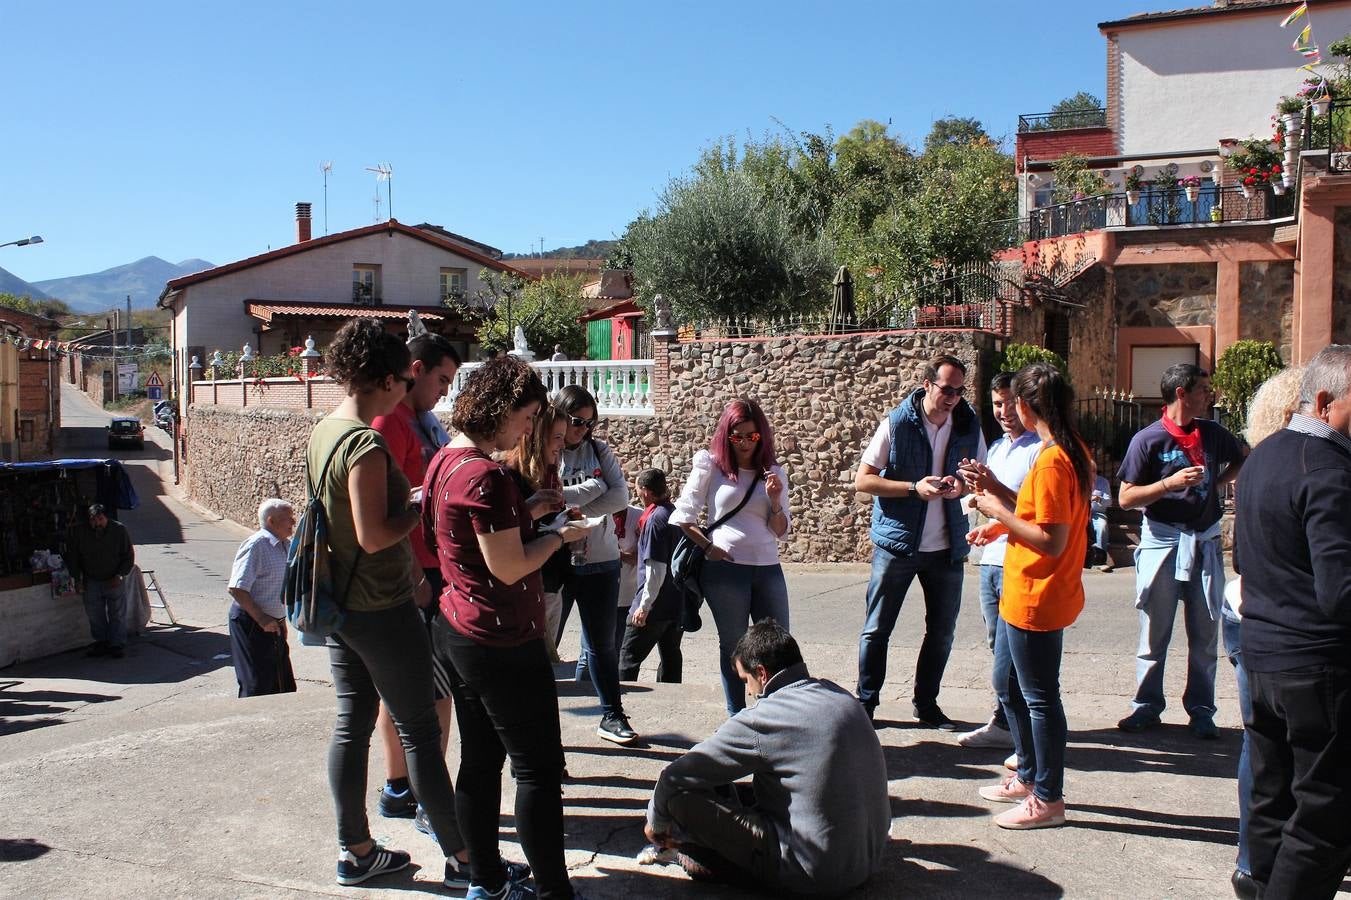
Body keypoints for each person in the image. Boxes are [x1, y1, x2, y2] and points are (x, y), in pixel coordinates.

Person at [305, 318, 466, 889]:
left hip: (341, 605)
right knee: (422, 730)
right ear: (385, 377)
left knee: (351, 724)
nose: (407, 388)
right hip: (380, 603)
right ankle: (465, 862)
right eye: (402, 376)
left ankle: (357, 851)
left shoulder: (325, 429)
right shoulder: (367, 443)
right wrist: (423, 508)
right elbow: (375, 534)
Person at [424, 356, 592, 900]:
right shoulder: (488, 475)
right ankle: (553, 891)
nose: (531, 428)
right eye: (527, 416)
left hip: (459, 631)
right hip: (502, 640)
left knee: (479, 759)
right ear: (502, 409)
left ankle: (487, 882)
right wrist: (558, 537)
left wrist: (528, 506)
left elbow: (466, 536)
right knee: (538, 770)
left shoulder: (445, 462)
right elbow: (510, 565)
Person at [643, 620, 890, 894]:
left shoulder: (766, 717)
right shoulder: (842, 697)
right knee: (744, 787)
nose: (748, 692)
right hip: (867, 861)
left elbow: (674, 776)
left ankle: (716, 860)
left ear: (761, 673)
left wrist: (656, 824)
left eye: (746, 681)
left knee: (679, 801)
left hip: (812, 873)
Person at [1232, 350, 1351, 899]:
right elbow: (1341, 592)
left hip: (1263, 658)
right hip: (1315, 667)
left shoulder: (1264, 456)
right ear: (1324, 403)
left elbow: (1244, 561)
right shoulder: (1329, 471)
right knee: (1324, 817)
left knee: (1272, 800)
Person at [969, 362, 1091, 830]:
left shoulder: (1054, 459)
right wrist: (1001, 524)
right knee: (1018, 689)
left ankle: (1048, 798)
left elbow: (1050, 539)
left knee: (1038, 698)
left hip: (1036, 594)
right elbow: (1045, 517)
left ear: (1023, 405)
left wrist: (994, 507)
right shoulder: (1066, 451)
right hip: (1037, 590)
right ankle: (1030, 775)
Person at [855, 354, 986, 727]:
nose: (953, 398)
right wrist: (914, 488)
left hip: (947, 547)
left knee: (942, 631)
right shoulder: (898, 423)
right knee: (878, 627)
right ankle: (866, 704)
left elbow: (980, 478)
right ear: (927, 384)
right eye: (947, 389)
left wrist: (959, 485)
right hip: (897, 545)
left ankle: (926, 704)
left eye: (959, 391)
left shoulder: (968, 424)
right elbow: (864, 480)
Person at [1117, 363, 1245, 738]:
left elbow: (1242, 455)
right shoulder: (1148, 439)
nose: (1210, 395)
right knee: (1154, 632)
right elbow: (1125, 497)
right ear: (1180, 393)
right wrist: (1168, 483)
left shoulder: (1213, 433)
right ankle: (1146, 707)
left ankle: (1202, 710)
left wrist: (1220, 482)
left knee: (1205, 635)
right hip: (1163, 542)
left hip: (1204, 542)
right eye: (1203, 389)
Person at [369, 332, 461, 824]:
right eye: (442, 379)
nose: (445, 390)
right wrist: (414, 579)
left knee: (409, 691)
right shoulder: (393, 422)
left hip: (427, 568)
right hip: (418, 572)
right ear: (417, 368)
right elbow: (387, 508)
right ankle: (429, 799)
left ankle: (401, 788)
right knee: (435, 694)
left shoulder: (421, 421)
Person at [1224, 364, 1303, 900]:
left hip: (1251, 617)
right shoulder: (1306, 471)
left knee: (1264, 749)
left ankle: (1254, 865)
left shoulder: (1256, 470)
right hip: (1284, 631)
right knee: (1284, 756)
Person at [671, 398, 792, 715]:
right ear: (726, 436)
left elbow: (780, 530)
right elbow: (683, 516)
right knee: (734, 645)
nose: (743, 443)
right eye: (736, 436)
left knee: (777, 646)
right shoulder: (711, 465)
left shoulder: (773, 473)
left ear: (761, 436)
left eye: (751, 436)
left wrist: (775, 500)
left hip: (767, 567)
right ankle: (736, 716)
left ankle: (774, 713)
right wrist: (709, 547)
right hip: (725, 571)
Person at [954, 371, 1042, 751]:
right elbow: (997, 506)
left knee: (1015, 653)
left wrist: (992, 487)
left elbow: (1029, 506)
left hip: (1018, 561)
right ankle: (1008, 721)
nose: (1003, 411)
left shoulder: (1040, 449)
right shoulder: (999, 448)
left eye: (1009, 402)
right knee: (998, 645)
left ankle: (1019, 729)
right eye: (996, 404)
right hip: (990, 558)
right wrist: (974, 487)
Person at [554, 384, 637, 744]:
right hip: (551, 557)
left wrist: (568, 505)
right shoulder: (543, 450)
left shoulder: (599, 451)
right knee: (542, 646)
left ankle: (612, 715)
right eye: (576, 421)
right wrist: (590, 490)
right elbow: (537, 493)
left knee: (602, 646)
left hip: (599, 559)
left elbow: (620, 496)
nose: (583, 429)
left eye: (590, 423)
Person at [504, 403, 569, 662]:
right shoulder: (510, 475)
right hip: (529, 584)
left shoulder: (548, 473)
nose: (563, 445)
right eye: (557, 437)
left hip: (553, 581)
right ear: (539, 436)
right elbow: (504, 530)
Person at [226, 498, 297, 697]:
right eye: (288, 518)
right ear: (271, 521)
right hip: (251, 622)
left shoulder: (286, 545)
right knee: (257, 685)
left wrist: (281, 620)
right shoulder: (256, 545)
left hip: (273, 624)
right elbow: (237, 588)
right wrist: (262, 618)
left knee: (282, 684)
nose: (293, 522)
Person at [620, 469, 685, 683]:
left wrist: (644, 606)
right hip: (675, 603)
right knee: (670, 657)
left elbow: (656, 568)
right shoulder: (672, 513)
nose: (636, 492)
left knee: (628, 659)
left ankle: (622, 702)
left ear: (646, 492)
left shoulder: (655, 519)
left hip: (656, 605)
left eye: (637, 488)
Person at [67, 503, 136, 659]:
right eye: (93, 519)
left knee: (117, 612)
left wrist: (120, 574)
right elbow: (74, 557)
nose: (97, 523)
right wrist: (77, 579)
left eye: (100, 519)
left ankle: (117, 644)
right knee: (94, 613)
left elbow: (128, 555)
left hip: (114, 578)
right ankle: (102, 641)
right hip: (91, 579)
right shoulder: (81, 532)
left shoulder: (119, 530)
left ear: (106, 518)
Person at [1088, 469, 1112, 571]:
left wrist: (1098, 499)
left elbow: (1109, 502)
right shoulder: (1079, 479)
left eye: (1092, 471)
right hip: (1081, 512)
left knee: (1102, 527)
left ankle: (1100, 560)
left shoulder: (1103, 482)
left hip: (1097, 513)